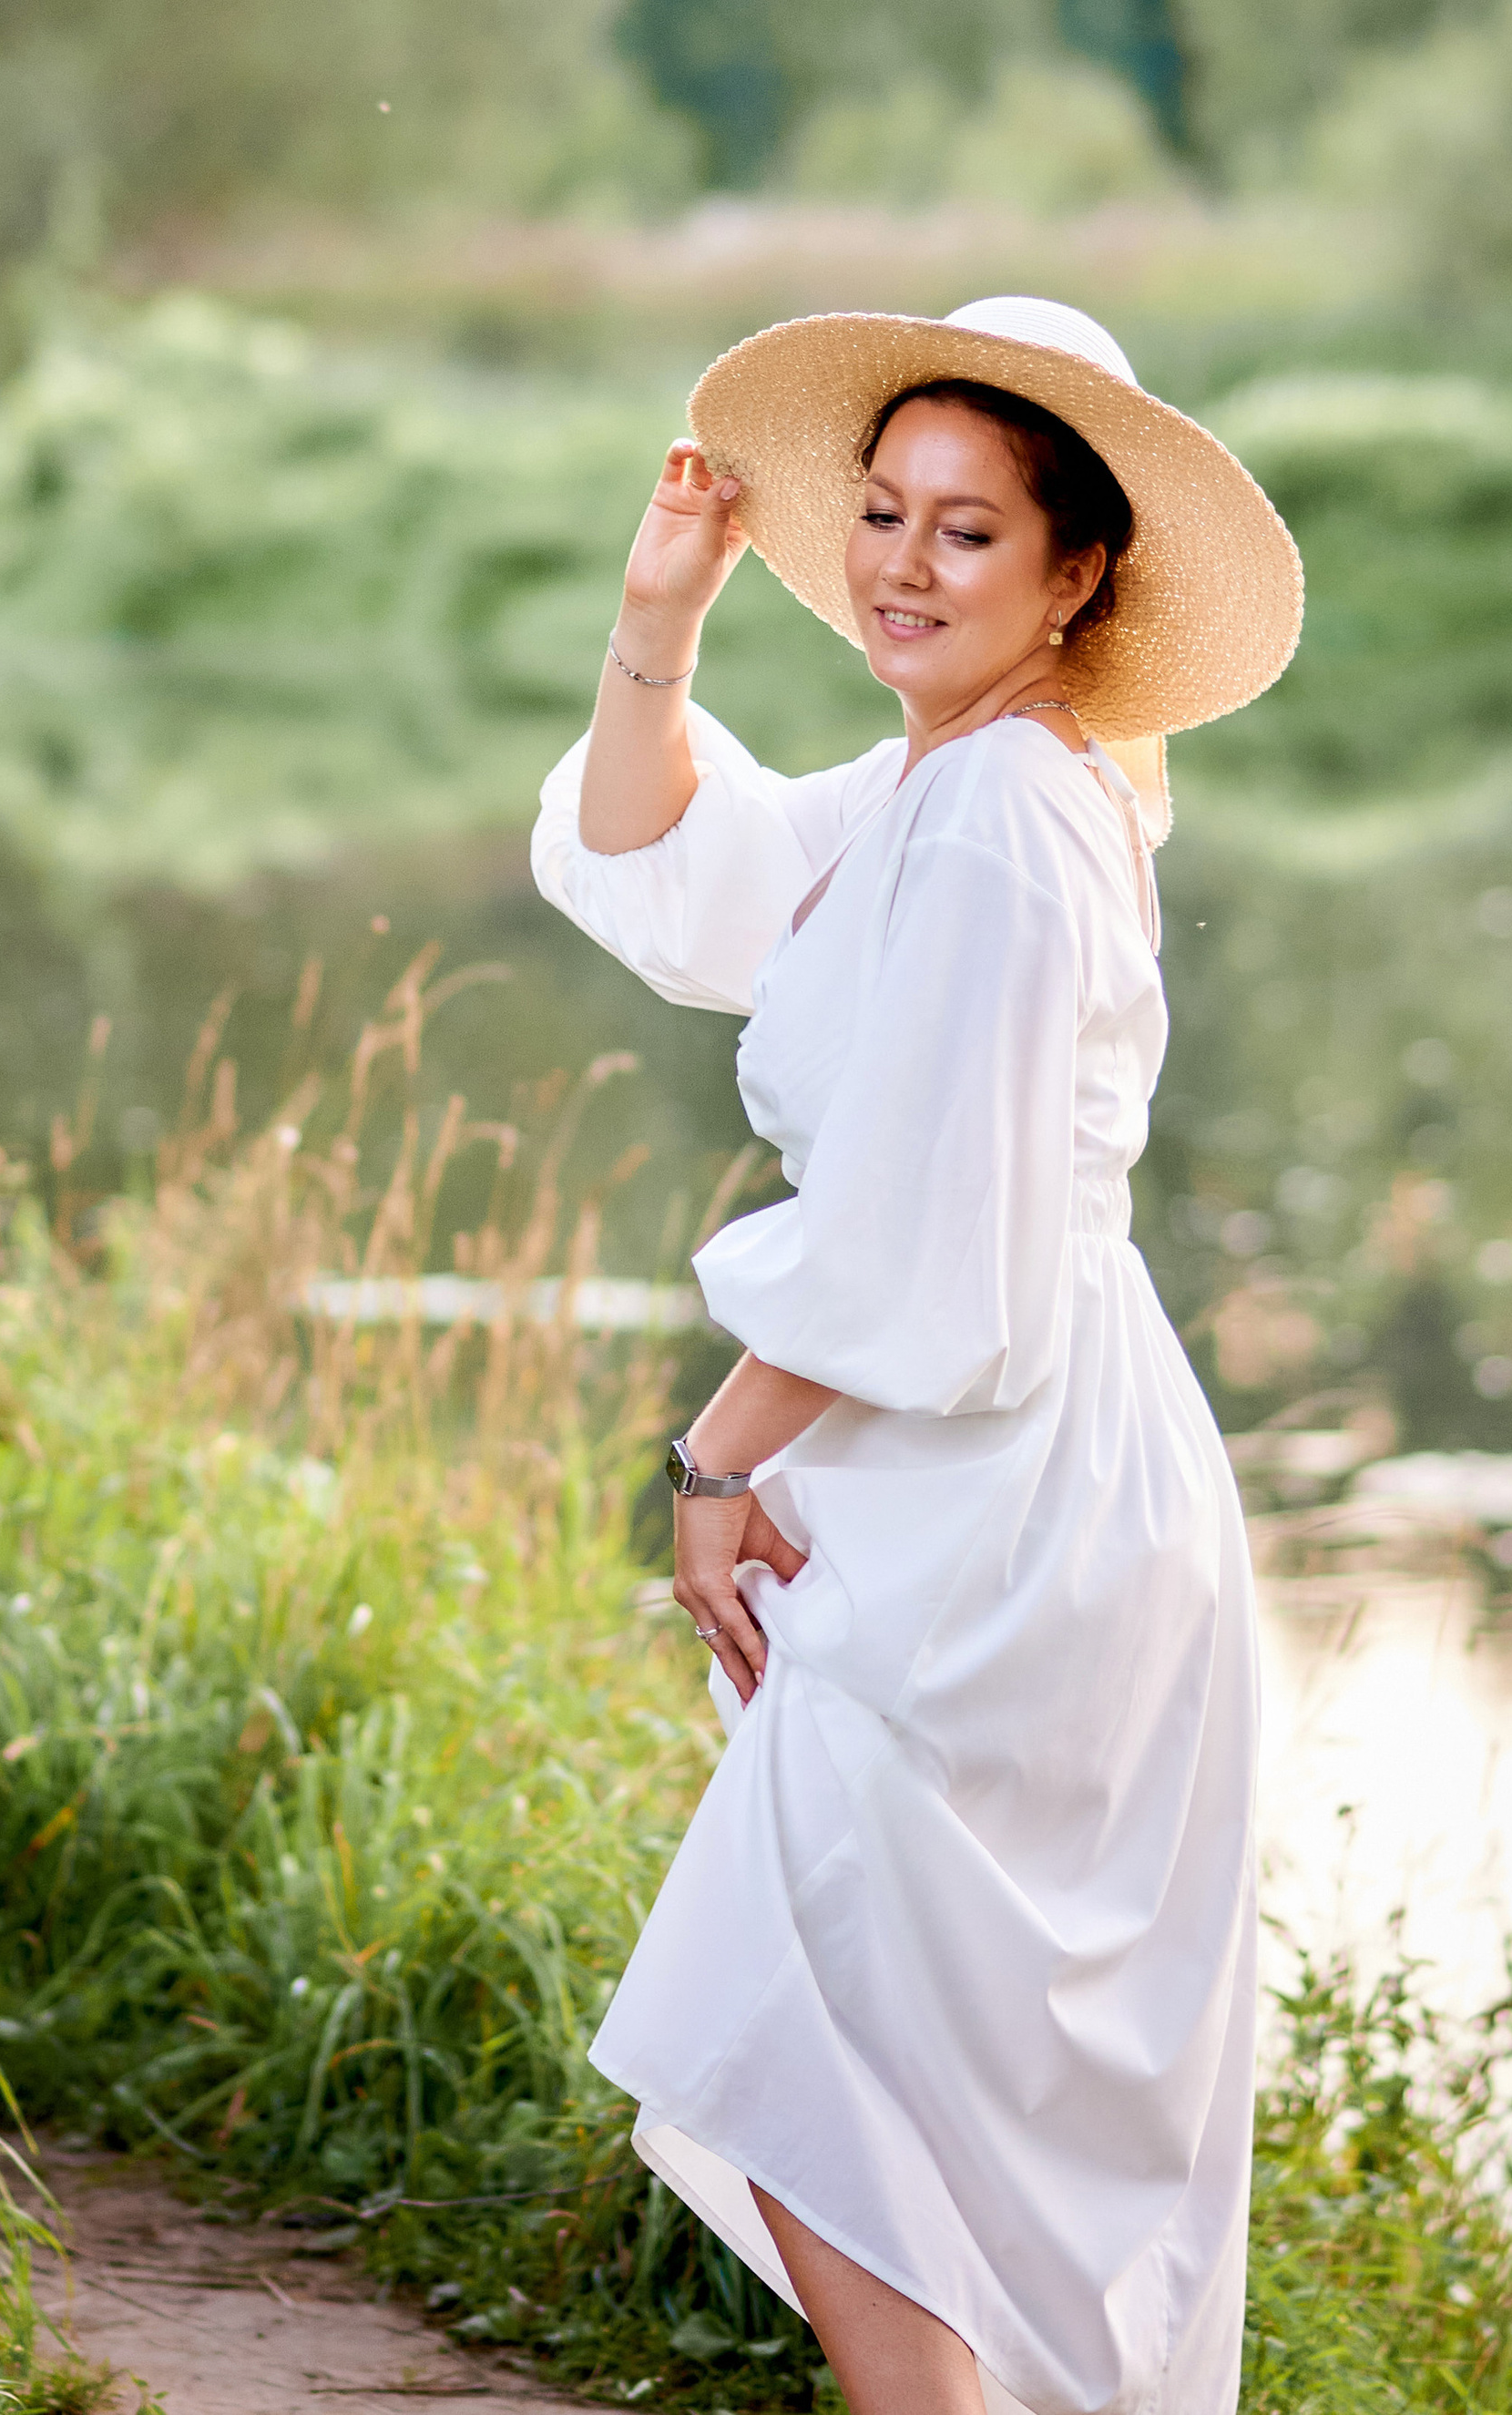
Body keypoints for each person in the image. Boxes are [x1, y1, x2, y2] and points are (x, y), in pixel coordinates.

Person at [532, 297, 1303, 2415]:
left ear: (1075, 577)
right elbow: (667, 877)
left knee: (802, 2009)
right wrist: (657, 622)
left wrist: (709, 1461)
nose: (897, 561)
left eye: (967, 533)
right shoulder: (923, 787)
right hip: (979, 1468)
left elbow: (918, 1235)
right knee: (861, 2049)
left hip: (1016, 1500)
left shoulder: (1005, 817)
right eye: (879, 511)